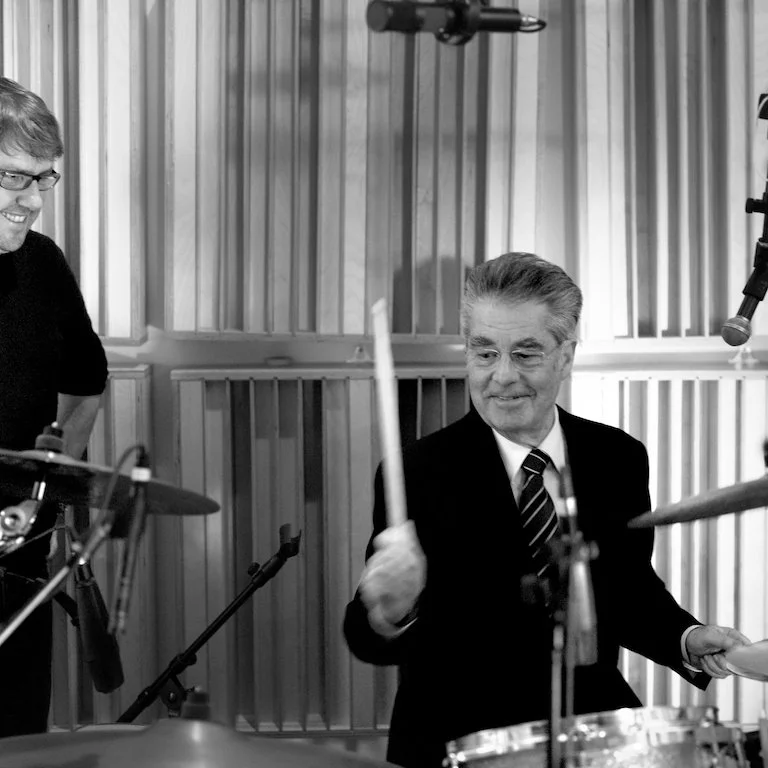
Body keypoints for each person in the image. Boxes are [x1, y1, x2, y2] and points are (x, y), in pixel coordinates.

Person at [343, 253, 750, 768]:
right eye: (484, 353)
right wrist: (389, 610)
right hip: (455, 738)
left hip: (589, 731)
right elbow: (366, 635)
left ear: (566, 353)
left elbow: (625, 590)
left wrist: (686, 637)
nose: (503, 376)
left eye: (526, 354)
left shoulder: (617, 457)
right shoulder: (415, 471)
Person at [0, 76, 108, 737]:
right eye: (16, 178)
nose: (34, 200)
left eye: (45, 180)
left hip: (17, 568)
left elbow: (88, 383)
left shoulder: (43, 265)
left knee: (16, 735)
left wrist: (44, 483)